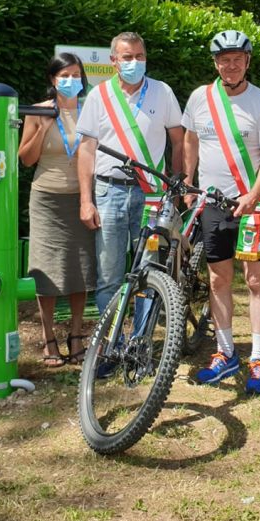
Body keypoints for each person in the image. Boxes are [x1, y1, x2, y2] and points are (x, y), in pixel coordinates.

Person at [183, 30, 260, 395]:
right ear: (215, 63)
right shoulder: (200, 97)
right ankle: (225, 353)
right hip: (212, 203)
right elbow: (190, 140)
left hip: (250, 204)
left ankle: (258, 358)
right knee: (218, 279)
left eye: (237, 59)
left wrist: (254, 195)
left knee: (256, 281)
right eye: (224, 60)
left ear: (247, 61)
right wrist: (188, 182)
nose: (230, 66)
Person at [76, 32, 184, 318]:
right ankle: (112, 340)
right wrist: (85, 201)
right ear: (114, 61)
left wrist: (177, 183)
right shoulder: (99, 95)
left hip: (152, 194)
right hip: (108, 192)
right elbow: (86, 150)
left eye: (140, 56)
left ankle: (141, 339)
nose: (134, 62)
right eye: (127, 57)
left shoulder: (162, 91)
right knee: (109, 275)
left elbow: (179, 139)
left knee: (150, 271)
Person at [19, 53, 96, 366]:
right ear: (53, 79)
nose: (70, 80)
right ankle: (48, 337)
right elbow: (26, 159)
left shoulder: (91, 110)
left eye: (76, 74)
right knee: (46, 268)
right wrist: (43, 127)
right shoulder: (38, 110)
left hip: (82, 197)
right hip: (46, 198)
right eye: (64, 75)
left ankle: (76, 335)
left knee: (81, 267)